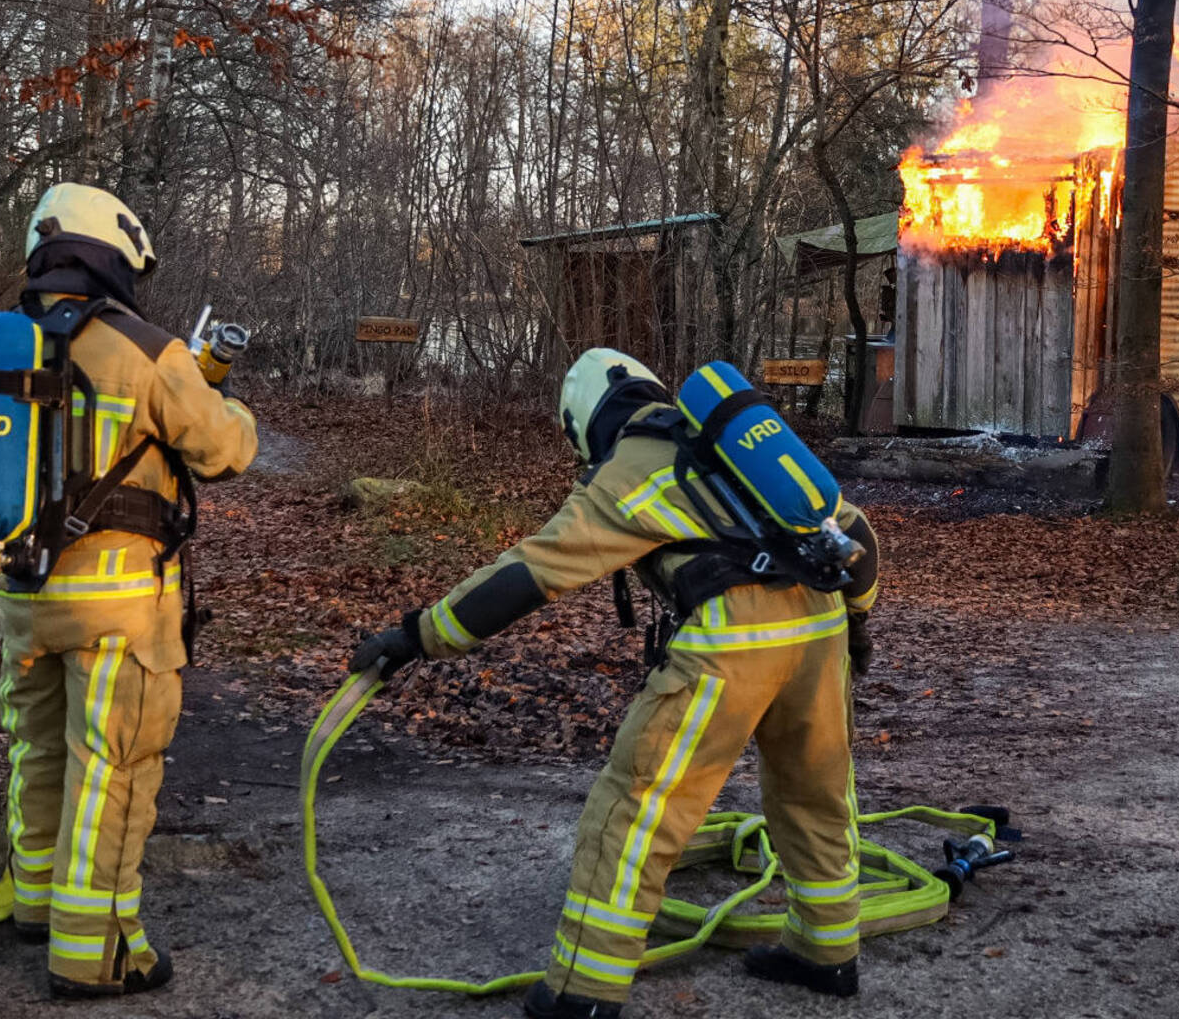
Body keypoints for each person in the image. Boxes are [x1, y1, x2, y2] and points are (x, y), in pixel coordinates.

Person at [352, 348, 880, 1019]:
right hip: (821, 624)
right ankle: (826, 954)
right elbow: (854, 531)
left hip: (734, 639)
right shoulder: (733, 445)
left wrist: (420, 635)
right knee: (816, 794)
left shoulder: (629, 467)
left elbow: (532, 572)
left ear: (585, 422)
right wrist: (856, 622)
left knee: (637, 806)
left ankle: (584, 990)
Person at [0, 183, 258, 997]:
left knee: (36, 754)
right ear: (113, 251)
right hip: (116, 607)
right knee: (112, 768)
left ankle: (34, 906)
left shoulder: (3, 342)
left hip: (21, 593)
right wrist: (225, 396)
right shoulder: (144, 348)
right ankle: (94, 951)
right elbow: (223, 452)